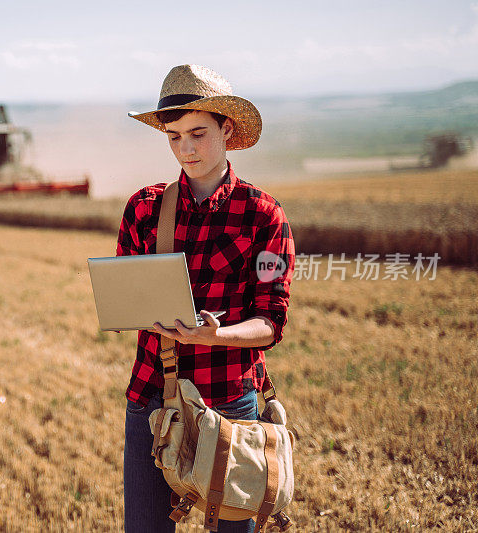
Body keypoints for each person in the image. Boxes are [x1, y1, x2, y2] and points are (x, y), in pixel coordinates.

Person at [117, 64, 295, 532]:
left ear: (226, 128)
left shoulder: (263, 214)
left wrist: (215, 335)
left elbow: (271, 322)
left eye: (198, 133)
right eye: (174, 137)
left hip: (231, 401)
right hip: (152, 395)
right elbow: (125, 295)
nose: (185, 148)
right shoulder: (143, 208)